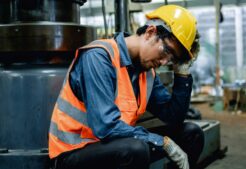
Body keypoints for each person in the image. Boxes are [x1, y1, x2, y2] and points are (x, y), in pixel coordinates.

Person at [48, 4, 204, 169]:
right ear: (150, 33)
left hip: (113, 145)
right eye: (166, 51)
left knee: (191, 133)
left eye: (173, 59)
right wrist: (162, 142)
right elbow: (106, 127)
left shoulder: (147, 73)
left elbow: (173, 117)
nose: (165, 62)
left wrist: (182, 74)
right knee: (135, 149)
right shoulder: (99, 58)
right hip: (73, 153)